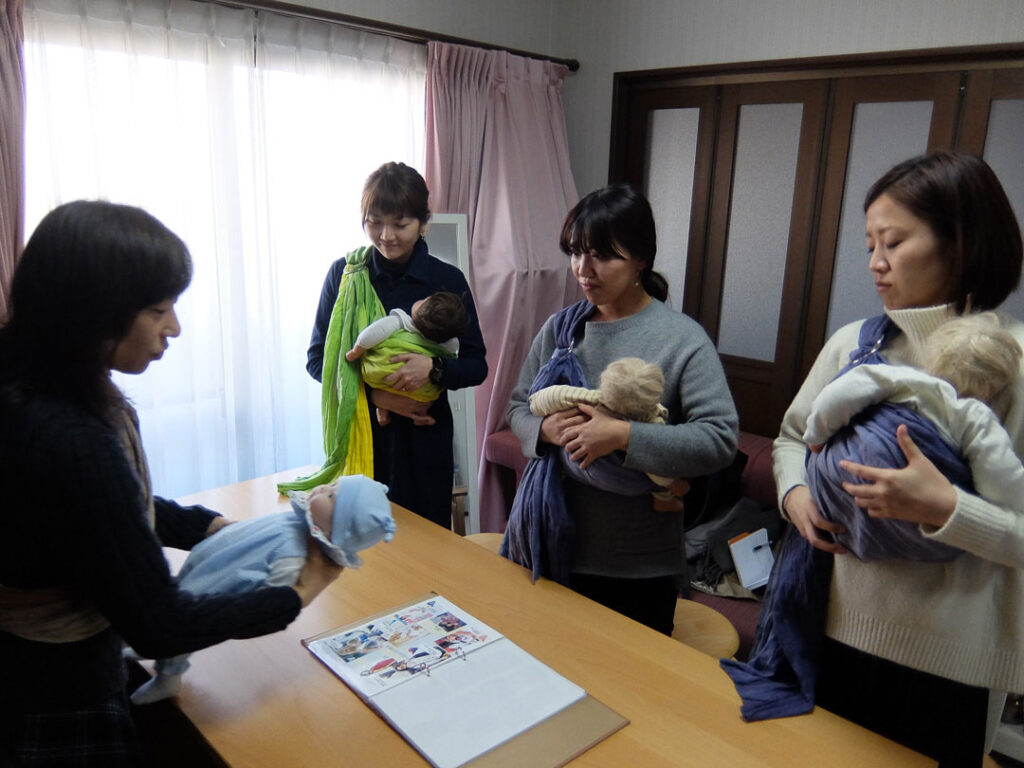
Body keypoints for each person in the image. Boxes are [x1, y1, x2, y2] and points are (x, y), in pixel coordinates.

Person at [0, 200, 341, 766]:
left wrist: (216, 528)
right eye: (159, 310)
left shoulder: (40, 384)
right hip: (54, 694)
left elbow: (108, 513)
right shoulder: (67, 437)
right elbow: (160, 624)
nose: (175, 328)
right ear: (92, 313)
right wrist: (301, 589)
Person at [768, 150, 1024, 767]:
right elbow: (789, 440)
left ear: (959, 243)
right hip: (825, 630)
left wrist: (947, 508)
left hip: (949, 664)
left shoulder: (1011, 361)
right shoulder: (854, 346)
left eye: (894, 242)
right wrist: (796, 496)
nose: (875, 264)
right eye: (869, 244)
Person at [502, 183, 738, 635]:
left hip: (639, 568)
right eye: (575, 253)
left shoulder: (680, 339)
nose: (583, 270)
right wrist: (547, 430)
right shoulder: (563, 330)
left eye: (603, 256)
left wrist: (622, 436)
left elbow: (720, 438)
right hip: (551, 545)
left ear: (641, 259)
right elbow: (517, 406)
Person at [306, 162, 487, 528]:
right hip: (364, 438)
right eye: (375, 221)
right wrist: (378, 397)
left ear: (424, 223)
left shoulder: (446, 279)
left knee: (426, 553)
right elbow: (317, 360)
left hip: (425, 444)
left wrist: (433, 370)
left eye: (400, 224)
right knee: (363, 550)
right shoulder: (345, 275)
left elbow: (476, 364)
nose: (386, 235)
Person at [131, 474, 395, 704]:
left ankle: (167, 674)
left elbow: (274, 591)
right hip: (213, 561)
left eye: (331, 495)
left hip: (222, 582)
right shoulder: (295, 522)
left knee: (185, 615)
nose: (322, 488)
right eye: (332, 486)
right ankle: (149, 647)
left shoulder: (295, 556)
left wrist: (291, 597)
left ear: (336, 529)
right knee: (177, 598)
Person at [527, 356, 693, 511]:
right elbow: (655, 464)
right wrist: (672, 483)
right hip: (617, 477)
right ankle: (663, 499)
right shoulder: (649, 421)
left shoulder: (590, 399)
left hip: (578, 464)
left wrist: (537, 406)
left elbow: (555, 395)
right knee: (652, 457)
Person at [346, 290, 468, 426]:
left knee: (388, 377)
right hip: (423, 393)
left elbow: (371, 334)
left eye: (425, 300)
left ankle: (383, 410)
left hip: (384, 372)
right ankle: (417, 416)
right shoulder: (449, 342)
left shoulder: (403, 321)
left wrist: (356, 350)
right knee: (424, 396)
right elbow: (453, 355)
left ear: (420, 313)